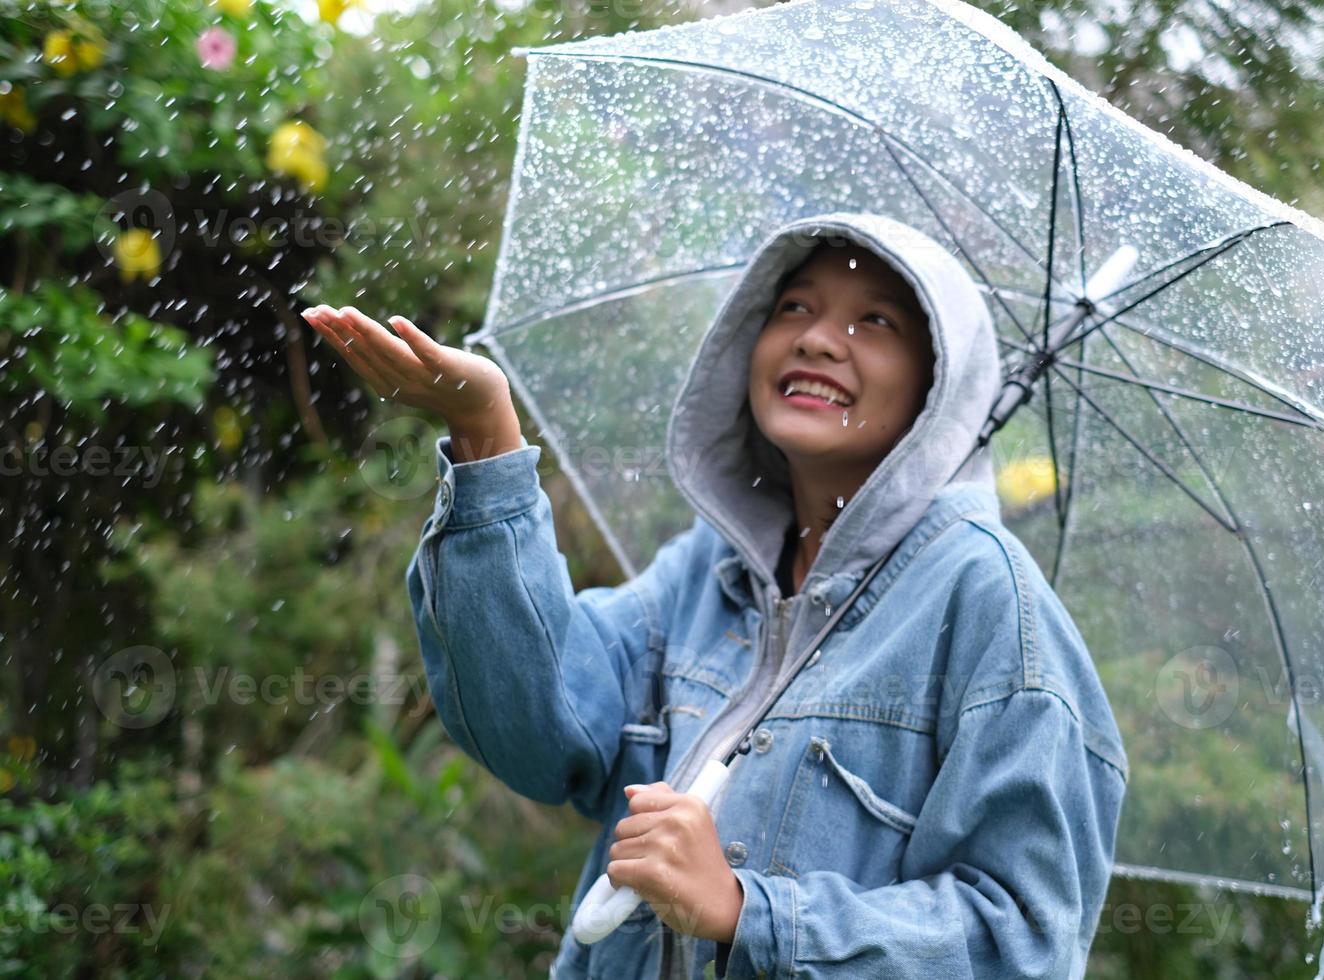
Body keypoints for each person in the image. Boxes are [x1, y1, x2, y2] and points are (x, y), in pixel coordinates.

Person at [302, 211, 1128, 979]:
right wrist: (487, 437)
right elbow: (538, 729)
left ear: (938, 384)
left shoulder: (988, 604)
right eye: (795, 305)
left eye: (875, 322)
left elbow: (1022, 939)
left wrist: (747, 911)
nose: (818, 339)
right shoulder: (705, 573)